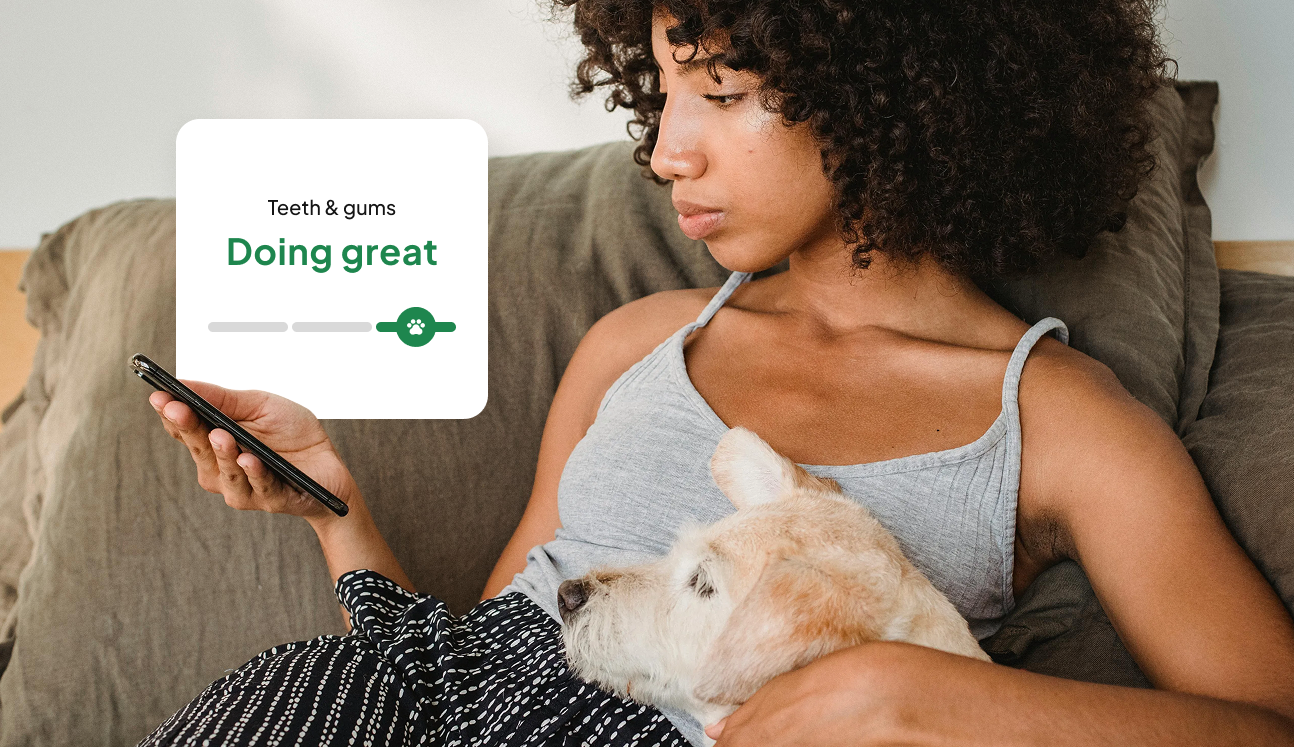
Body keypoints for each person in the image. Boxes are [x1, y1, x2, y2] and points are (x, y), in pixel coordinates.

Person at [140, 1, 1294, 745]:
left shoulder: (1057, 422)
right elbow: (469, 671)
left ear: (887, 87)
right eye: (663, 92)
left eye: (721, 95)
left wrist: (928, 701)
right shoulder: (636, 343)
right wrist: (331, 506)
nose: (662, 149)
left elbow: (1267, 721)